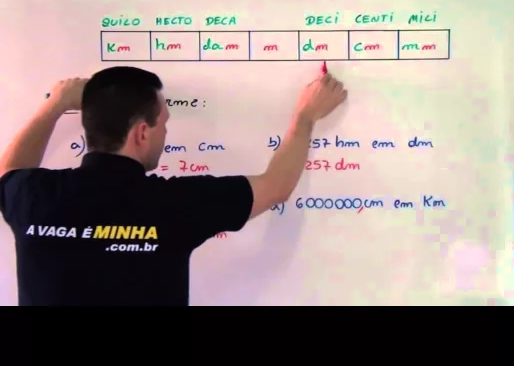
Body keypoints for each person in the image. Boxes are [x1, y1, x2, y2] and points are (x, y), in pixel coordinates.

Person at [0, 66, 347, 306]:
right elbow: (276, 186)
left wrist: (55, 104)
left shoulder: (33, 195)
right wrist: (305, 117)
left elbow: (9, 172)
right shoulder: (175, 203)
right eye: (163, 124)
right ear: (142, 132)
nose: (165, 133)